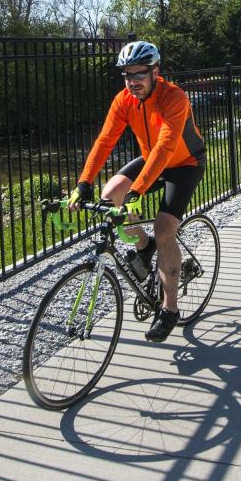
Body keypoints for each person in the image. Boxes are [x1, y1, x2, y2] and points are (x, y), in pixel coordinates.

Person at [70, 40, 206, 343]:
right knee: (111, 194)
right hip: (151, 158)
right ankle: (144, 247)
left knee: (164, 229)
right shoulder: (123, 100)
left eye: (139, 75)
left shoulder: (174, 97)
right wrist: (83, 183)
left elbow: (166, 146)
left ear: (155, 71)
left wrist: (139, 191)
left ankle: (169, 309)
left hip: (184, 162)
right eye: (127, 75)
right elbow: (105, 141)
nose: (133, 82)